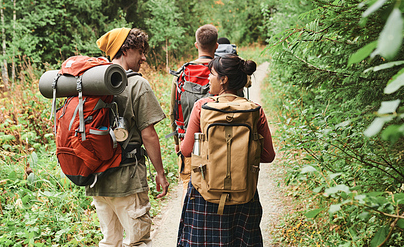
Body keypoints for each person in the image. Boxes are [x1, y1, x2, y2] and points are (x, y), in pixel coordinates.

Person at [177, 54, 275, 247]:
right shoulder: (255, 111)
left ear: (224, 79)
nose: (208, 79)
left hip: (205, 195)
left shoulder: (201, 107)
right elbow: (268, 156)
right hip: (244, 194)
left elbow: (186, 150)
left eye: (211, 74)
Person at [88, 27, 169, 247]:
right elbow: (149, 135)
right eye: (140, 51)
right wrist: (160, 173)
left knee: (109, 242)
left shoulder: (91, 83)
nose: (143, 57)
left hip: (98, 181)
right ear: (124, 50)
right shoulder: (137, 84)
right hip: (128, 180)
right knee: (138, 242)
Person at [169, 24, 218, 196]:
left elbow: (173, 111)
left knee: (188, 189)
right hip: (218, 143)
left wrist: (177, 142)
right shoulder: (221, 72)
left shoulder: (183, 73)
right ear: (216, 45)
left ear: (196, 45)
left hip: (187, 143)